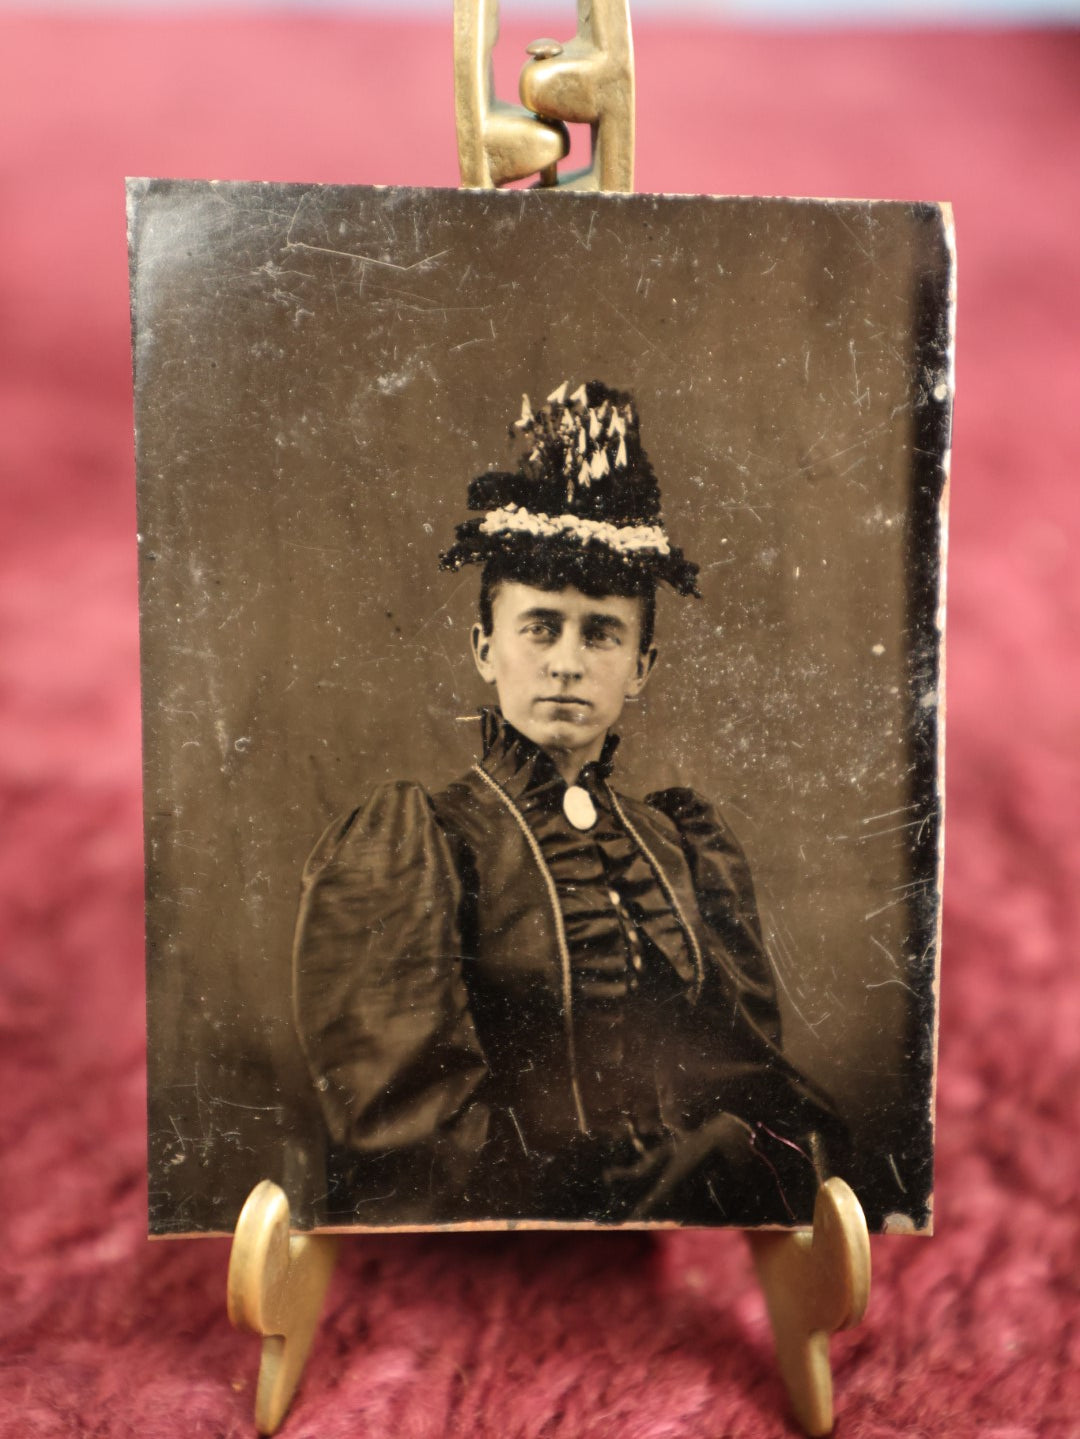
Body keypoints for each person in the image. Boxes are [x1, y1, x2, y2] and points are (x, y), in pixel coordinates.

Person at [293, 380, 843, 1227]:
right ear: (485, 649)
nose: (567, 661)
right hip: (489, 1247)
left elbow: (746, 1080)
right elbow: (406, 1131)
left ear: (641, 667)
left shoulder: (678, 845)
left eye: (601, 633)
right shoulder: (423, 842)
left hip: (659, 1244)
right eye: (540, 626)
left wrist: (729, 1153)